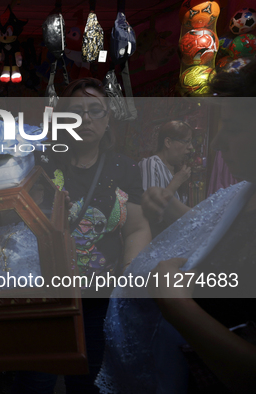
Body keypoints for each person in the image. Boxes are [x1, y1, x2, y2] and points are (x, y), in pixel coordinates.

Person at [96, 60, 256, 393]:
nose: (218, 144)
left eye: (235, 127)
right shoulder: (243, 194)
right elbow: (209, 228)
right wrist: (172, 208)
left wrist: (176, 303)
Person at [21, 78, 152, 394]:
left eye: (96, 110)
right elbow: (18, 223)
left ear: (108, 120)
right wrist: (46, 212)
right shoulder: (42, 162)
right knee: (35, 382)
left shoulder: (125, 168)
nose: (87, 118)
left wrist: (127, 279)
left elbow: (137, 227)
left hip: (99, 302)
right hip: (47, 300)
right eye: (76, 112)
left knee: (89, 383)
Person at [138, 120, 193, 236]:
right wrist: (176, 182)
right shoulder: (151, 164)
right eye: (186, 142)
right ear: (168, 142)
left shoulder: (177, 170)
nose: (191, 147)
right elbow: (151, 211)